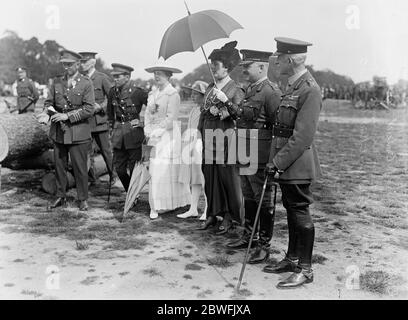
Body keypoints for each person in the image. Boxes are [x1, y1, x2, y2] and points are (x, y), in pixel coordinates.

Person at [263, 37, 322, 289]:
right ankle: (292, 258)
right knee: (291, 210)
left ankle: (306, 269)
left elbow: (302, 137)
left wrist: (277, 162)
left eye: (278, 58)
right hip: (287, 162)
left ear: (289, 59)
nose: (275, 62)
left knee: (299, 212)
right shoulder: (292, 85)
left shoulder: (309, 88)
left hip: (296, 163)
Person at [213, 49, 282, 262]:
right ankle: (249, 236)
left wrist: (274, 159)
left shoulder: (270, 92)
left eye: (247, 66)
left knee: (264, 200)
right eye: (243, 66)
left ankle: (263, 244)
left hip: (260, 153)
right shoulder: (250, 89)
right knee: (249, 196)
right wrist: (225, 103)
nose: (243, 70)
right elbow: (242, 116)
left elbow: (277, 127)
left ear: (262, 67)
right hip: (244, 149)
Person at [37, 50, 95, 211]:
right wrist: (45, 114)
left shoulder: (86, 82)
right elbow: (49, 103)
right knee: (59, 166)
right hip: (59, 133)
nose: (66, 67)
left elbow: (89, 109)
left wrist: (67, 116)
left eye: (69, 64)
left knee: (80, 168)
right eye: (64, 64)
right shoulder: (56, 82)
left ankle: (82, 198)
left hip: (78, 133)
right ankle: (60, 196)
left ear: (77, 64)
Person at [197, 41, 245, 233]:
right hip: (209, 139)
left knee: (227, 180)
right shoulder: (210, 87)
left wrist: (226, 104)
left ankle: (229, 216)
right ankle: (212, 213)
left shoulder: (235, 89)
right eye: (212, 64)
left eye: (216, 65)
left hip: (226, 141)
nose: (212, 68)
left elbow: (240, 115)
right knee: (210, 177)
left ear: (227, 67)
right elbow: (203, 113)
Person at [144, 62, 190, 220]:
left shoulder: (172, 94)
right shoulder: (153, 93)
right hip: (154, 135)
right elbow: (148, 114)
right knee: (154, 168)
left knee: (163, 168)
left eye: (161, 74)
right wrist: (148, 129)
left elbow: (172, 118)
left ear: (168, 76)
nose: (157, 76)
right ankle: (156, 204)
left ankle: (171, 202)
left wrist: (159, 129)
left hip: (168, 136)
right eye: (155, 73)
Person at [107, 63, 148, 192]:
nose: (115, 79)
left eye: (118, 76)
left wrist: (144, 123)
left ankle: (132, 196)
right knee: (119, 168)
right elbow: (110, 113)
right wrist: (111, 129)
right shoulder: (112, 91)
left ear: (127, 77)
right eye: (114, 76)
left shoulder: (138, 92)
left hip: (134, 133)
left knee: (133, 168)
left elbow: (152, 110)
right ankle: (130, 191)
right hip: (119, 134)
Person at [79, 52, 116, 186]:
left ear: (92, 62)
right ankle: (92, 178)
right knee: (87, 153)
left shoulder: (101, 78)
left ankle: (113, 175)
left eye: (84, 62)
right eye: (81, 62)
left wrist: (100, 107)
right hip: (85, 123)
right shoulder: (81, 79)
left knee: (106, 150)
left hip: (100, 122)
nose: (82, 64)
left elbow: (112, 97)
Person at [177, 81, 209, 220]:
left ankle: (208, 209)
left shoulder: (206, 110)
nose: (192, 96)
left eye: (195, 94)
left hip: (201, 145)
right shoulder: (194, 109)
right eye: (192, 94)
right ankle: (193, 208)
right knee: (194, 179)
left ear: (203, 95)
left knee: (204, 179)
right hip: (191, 145)